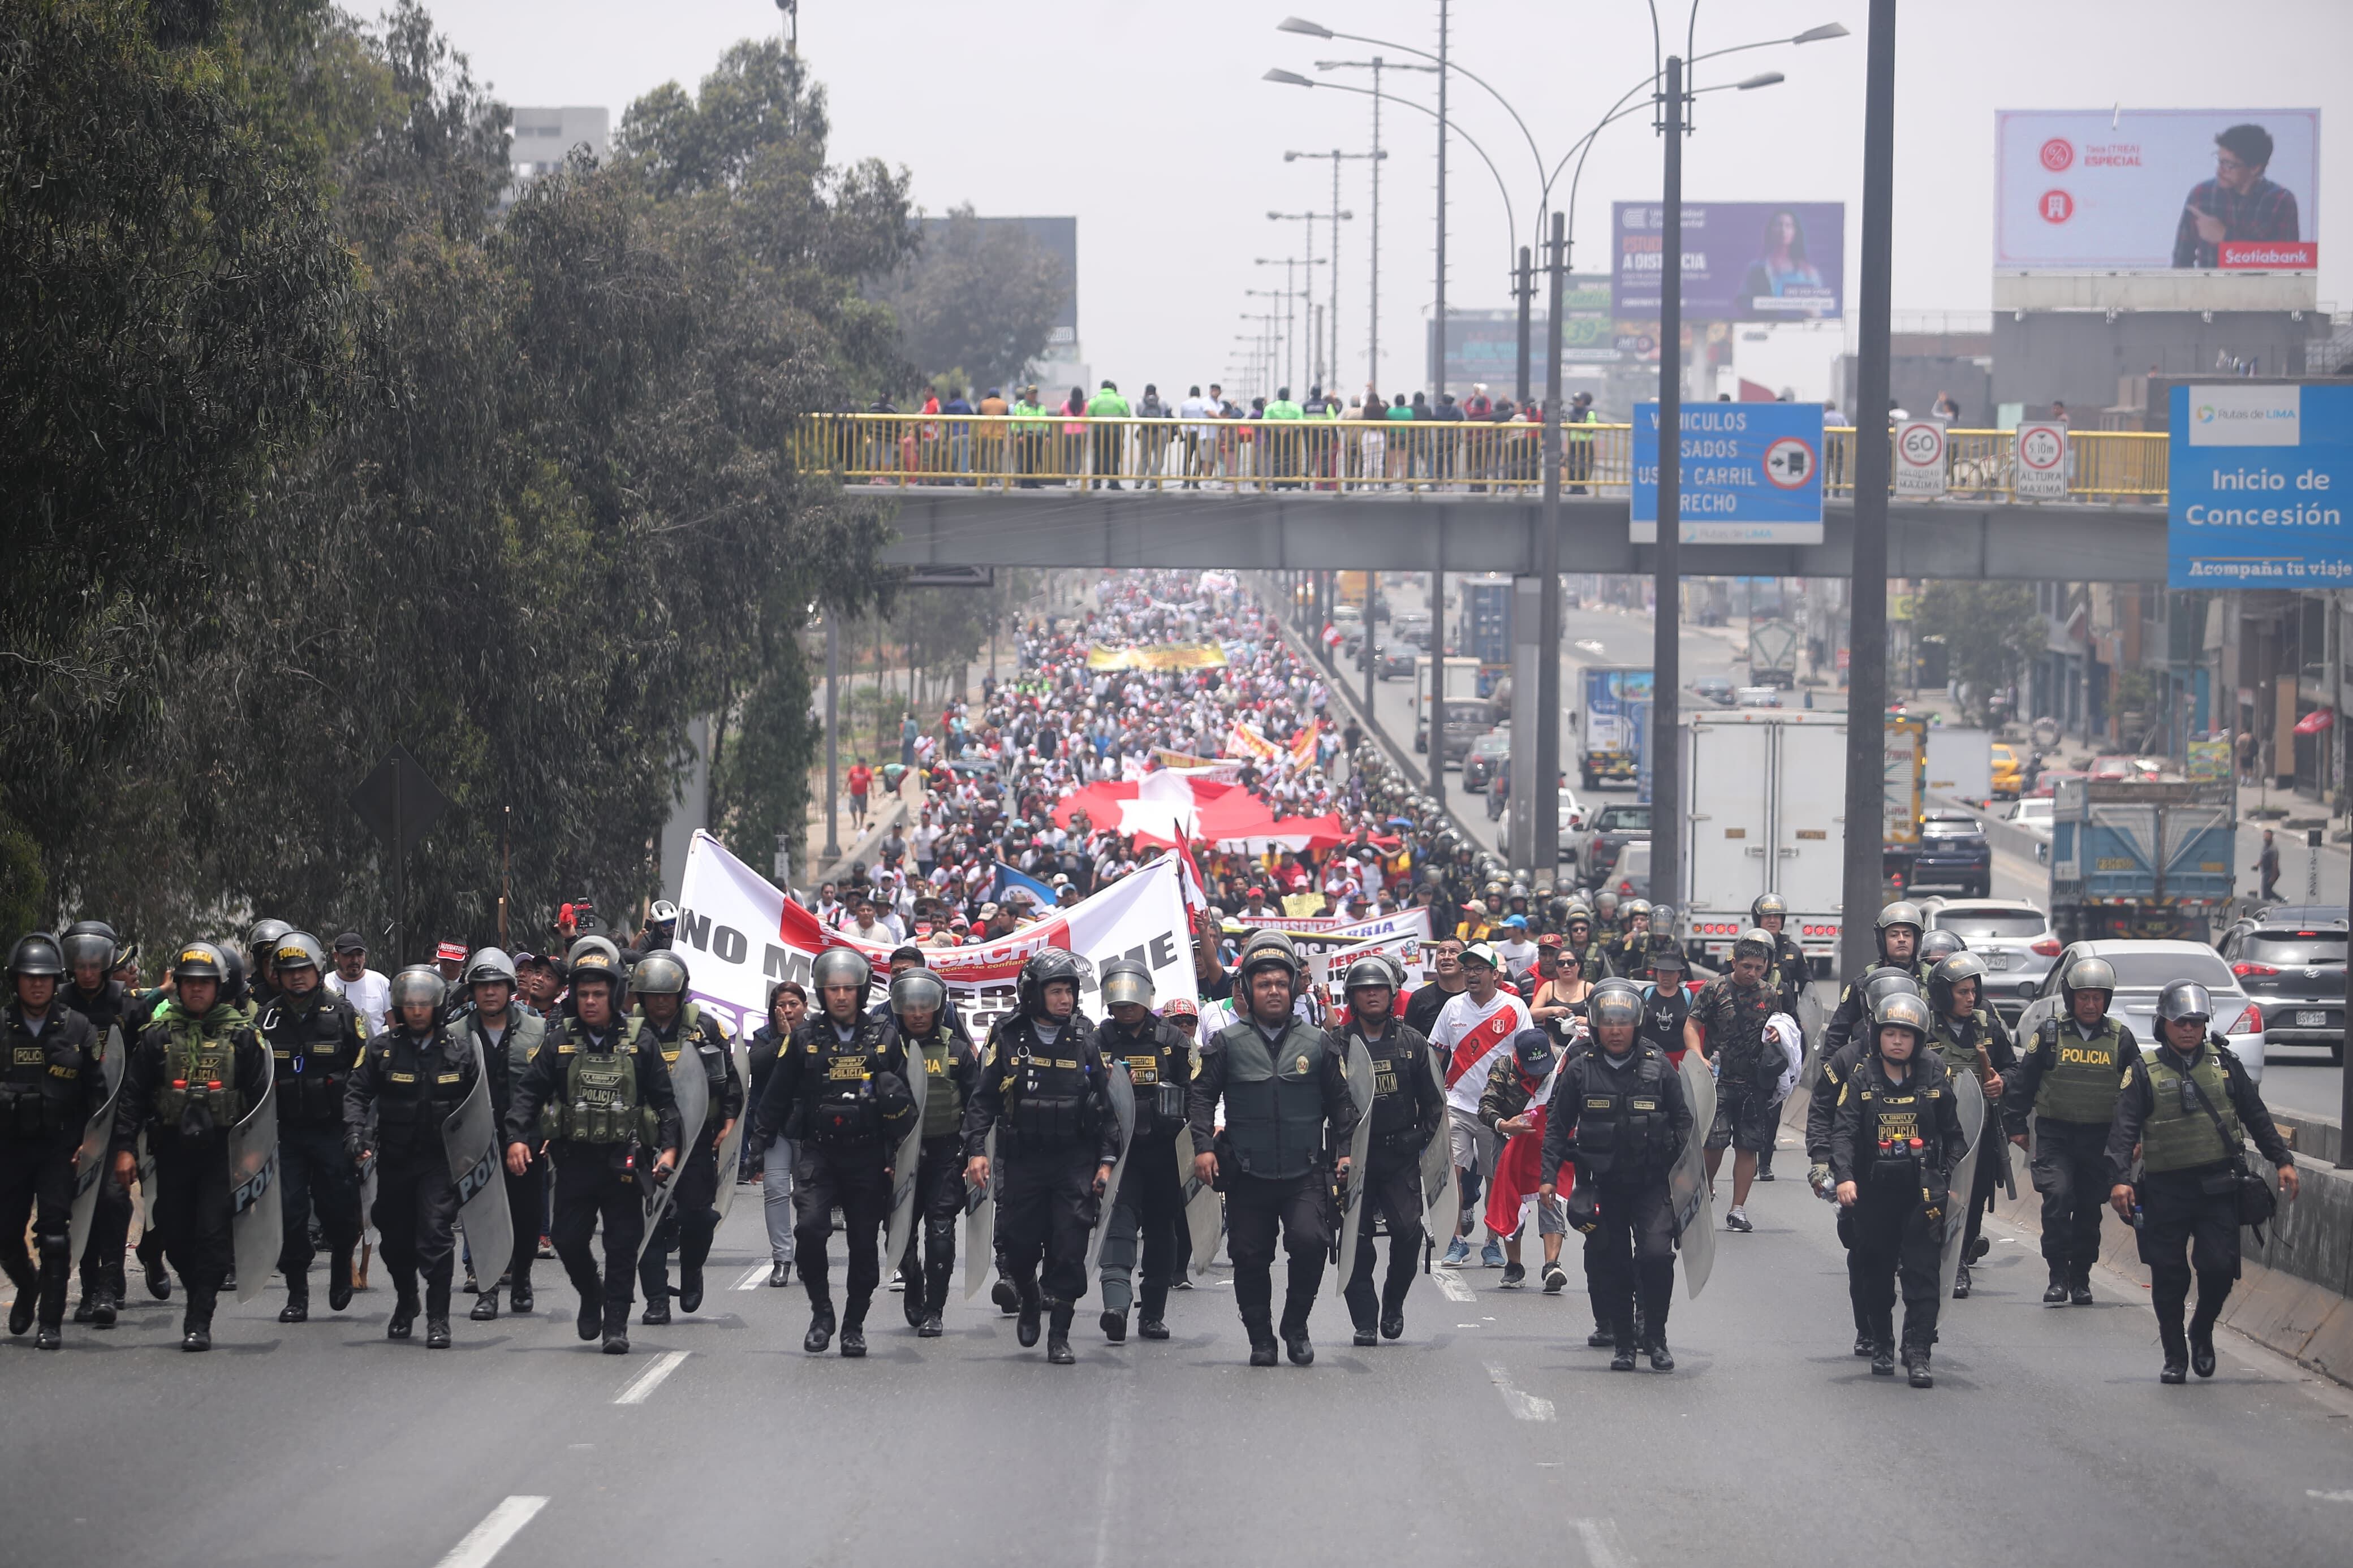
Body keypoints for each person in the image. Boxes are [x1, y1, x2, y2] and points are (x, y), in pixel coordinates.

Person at [2107, 980, 2299, 1383]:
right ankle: (2174, 1354)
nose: (2190, 1029)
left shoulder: (2226, 1065)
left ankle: (2202, 1329)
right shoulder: (2143, 1070)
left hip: (2217, 1185)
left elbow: (2256, 1115)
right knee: (2169, 1274)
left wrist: (2282, 1159)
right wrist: (2120, 1180)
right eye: (2181, 1022)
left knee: (2218, 1268)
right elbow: (2124, 1129)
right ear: (2164, 1024)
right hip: (2165, 1190)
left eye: (2196, 1021)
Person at [1187, 931, 1360, 1366]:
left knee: (1310, 1243)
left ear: (1294, 987)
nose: (1274, 991)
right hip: (1247, 1172)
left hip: (1304, 1172)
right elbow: (1201, 1097)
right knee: (1249, 1256)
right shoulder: (1227, 1043)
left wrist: (1345, 1151)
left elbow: (1342, 1104)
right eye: (1264, 983)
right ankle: (1261, 1337)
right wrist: (1204, 1147)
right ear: (1247, 989)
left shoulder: (1319, 1043)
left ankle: (1295, 1325)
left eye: (1281, 983)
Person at [503, 939, 681, 1354]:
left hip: (625, 1162)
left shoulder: (642, 1043)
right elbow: (529, 1093)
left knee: (622, 1245)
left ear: (615, 995)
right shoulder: (559, 1041)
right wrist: (515, 1138)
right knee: (566, 1237)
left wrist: (671, 1150)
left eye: (599, 993)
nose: (590, 1001)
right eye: (583, 993)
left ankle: (616, 1323)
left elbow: (666, 1103)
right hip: (575, 1160)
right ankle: (590, 1292)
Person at [752, 947, 914, 1358]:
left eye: (848, 988)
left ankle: (854, 1324)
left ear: (860, 991)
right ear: (822, 993)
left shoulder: (885, 1035)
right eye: (832, 988)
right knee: (809, 1230)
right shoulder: (805, 1038)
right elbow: (776, 1094)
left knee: (864, 1245)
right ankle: (822, 1312)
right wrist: (757, 1143)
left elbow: (909, 1103)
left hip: (867, 1157)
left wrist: (902, 1154)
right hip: (818, 1153)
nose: (841, 996)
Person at [962, 950, 1119, 1364]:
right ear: (1034, 993)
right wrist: (977, 1149)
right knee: (1017, 1247)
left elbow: (1106, 1107)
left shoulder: (1086, 1040)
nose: (1065, 998)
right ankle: (1029, 1298)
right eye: (1056, 990)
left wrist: (1106, 1160)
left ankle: (1060, 1335)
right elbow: (982, 1100)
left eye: (1069, 990)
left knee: (1069, 1250)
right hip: (1023, 1161)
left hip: (1073, 1162)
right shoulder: (1008, 1036)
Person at [111, 941, 270, 1351]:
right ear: (178, 987)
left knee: (214, 1234)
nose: (196, 991)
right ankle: (196, 1284)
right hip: (172, 1150)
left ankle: (200, 1316)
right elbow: (132, 1095)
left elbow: (261, 1098)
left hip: (223, 1153)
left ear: (220, 987)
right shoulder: (156, 1038)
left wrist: (255, 1151)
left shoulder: (243, 1036)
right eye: (188, 983)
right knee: (176, 1233)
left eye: (205, 984)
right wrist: (125, 1148)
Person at [1539, 977, 1693, 1372]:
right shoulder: (1579, 1070)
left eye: (1624, 1021)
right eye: (1607, 1021)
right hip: (1603, 1185)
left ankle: (1655, 1337)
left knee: (1658, 1256)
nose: (1616, 1029)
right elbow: (1557, 1125)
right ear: (1595, 1023)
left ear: (1637, 1023)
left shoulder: (1659, 1067)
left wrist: (1687, 1182)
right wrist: (1548, 1176)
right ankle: (1624, 1341)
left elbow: (1683, 1122)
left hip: (1651, 1184)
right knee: (1613, 1262)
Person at [1830, 991, 1966, 1387]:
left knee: (1923, 1273)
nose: (1897, 1041)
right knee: (1875, 1271)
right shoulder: (1861, 1078)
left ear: (1918, 1039)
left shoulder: (1934, 1075)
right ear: (1878, 1035)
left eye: (1906, 1035)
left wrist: (1954, 1182)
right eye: (1890, 1033)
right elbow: (1844, 1133)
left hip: (1921, 1194)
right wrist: (1844, 1178)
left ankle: (1919, 1349)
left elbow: (1955, 1137)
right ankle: (1883, 1342)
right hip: (1873, 1193)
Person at [343, 966, 479, 1349]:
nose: (417, 1011)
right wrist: (355, 1135)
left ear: (437, 1007)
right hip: (395, 1159)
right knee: (395, 1240)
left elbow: (479, 1106)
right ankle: (407, 1300)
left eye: (424, 1004)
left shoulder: (460, 1051)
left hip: (440, 1161)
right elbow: (356, 1095)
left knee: (436, 1234)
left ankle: (438, 1318)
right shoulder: (380, 1049)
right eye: (410, 1005)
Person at [2006, 956, 2135, 1307]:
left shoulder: (2122, 1040)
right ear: (2070, 998)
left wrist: (2135, 1140)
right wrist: (2016, 1124)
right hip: (2055, 1136)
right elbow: (2023, 1083)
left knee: (2090, 1210)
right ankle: (2057, 1277)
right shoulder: (2049, 1035)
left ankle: (2081, 1279)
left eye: (2097, 998)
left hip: (2099, 1140)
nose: (2090, 1005)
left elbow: (2135, 1095)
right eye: (2083, 997)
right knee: (2058, 1199)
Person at [1333, 956, 1445, 1345]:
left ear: (1392, 994)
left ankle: (1394, 1302)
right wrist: (1338, 1155)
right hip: (1354, 1160)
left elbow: (1435, 1104)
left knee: (1408, 1232)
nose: (1372, 994)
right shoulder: (1336, 1045)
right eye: (1364, 989)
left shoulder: (1413, 1042)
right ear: (1353, 996)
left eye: (1379, 988)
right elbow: (1323, 1106)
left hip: (1399, 1156)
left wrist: (1420, 1139)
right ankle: (1365, 1319)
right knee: (1356, 1242)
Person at [2, 934, 106, 1350]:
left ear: (56, 981)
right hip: (9, 1148)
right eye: (29, 978)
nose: (38, 985)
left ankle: (51, 1322)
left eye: (45, 978)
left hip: (59, 1147)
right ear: (17, 981)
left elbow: (97, 1092)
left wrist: (92, 1143)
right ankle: (28, 1287)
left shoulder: (78, 1028)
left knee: (54, 1235)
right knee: (6, 1234)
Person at [257, 930, 366, 1324]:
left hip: (332, 1131)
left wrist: (361, 1131)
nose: (296, 977)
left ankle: (341, 1262)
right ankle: (297, 1292)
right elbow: (253, 1078)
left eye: (303, 969)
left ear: (318, 969)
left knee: (338, 1210)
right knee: (289, 1213)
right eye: (288, 971)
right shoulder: (265, 1018)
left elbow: (363, 1076)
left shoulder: (343, 1014)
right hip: (285, 1134)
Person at [630, 951, 743, 1325]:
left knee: (698, 1216)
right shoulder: (627, 1033)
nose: (661, 1001)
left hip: (696, 1138)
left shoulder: (705, 1027)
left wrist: (728, 1121)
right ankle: (656, 1298)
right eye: (653, 994)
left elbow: (729, 1081)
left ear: (681, 993)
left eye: (668, 993)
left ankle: (692, 1268)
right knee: (648, 1221)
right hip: (644, 1139)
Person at [1091, 958, 1193, 1344]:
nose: (1126, 1005)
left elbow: (1196, 1093)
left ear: (1147, 996)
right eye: (1118, 999)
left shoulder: (1174, 1041)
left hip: (1164, 1154)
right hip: (1119, 1152)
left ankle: (1152, 1315)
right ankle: (1115, 1306)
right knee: (1118, 1227)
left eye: (1132, 997)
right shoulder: (1097, 1041)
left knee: (1160, 1234)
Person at [1428, 942, 1531, 1268]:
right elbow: (1436, 1056)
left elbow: (1527, 1058)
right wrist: (1432, 1101)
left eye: (1478, 969)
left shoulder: (1515, 1008)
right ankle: (1457, 1240)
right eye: (1467, 969)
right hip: (1457, 1103)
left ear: (1495, 974)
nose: (1471, 975)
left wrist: (1526, 1105)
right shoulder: (1453, 1008)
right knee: (1454, 1174)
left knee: (1496, 1177)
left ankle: (1492, 1242)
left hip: (1498, 1110)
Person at [456, 948, 545, 1320]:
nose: (489, 992)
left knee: (526, 1219)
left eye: (497, 985)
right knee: (482, 1218)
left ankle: (521, 1277)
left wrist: (548, 1132)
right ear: (472, 990)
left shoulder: (538, 1030)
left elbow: (553, 1086)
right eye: (482, 985)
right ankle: (488, 1290)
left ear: (510, 988)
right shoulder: (454, 1034)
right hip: (475, 1144)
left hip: (526, 1141)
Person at [890, 965, 978, 1337]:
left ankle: (934, 1309)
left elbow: (978, 1107)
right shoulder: (886, 1050)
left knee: (941, 1231)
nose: (917, 1012)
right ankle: (913, 1280)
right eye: (910, 1005)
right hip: (899, 1157)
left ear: (938, 1007)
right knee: (899, 1235)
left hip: (945, 1155)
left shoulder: (957, 1051)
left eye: (925, 1004)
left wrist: (975, 1153)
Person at [1924, 951, 2016, 1299]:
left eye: (1973, 991)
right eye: (1962, 992)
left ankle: (1960, 1261)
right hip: (1935, 1131)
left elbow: (2012, 1068)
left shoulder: (1989, 1027)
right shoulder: (1925, 1027)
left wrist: (2002, 1082)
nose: (1970, 998)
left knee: (1973, 1197)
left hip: (1979, 1131)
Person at [59, 921, 134, 1325]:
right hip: (69, 1122)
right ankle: (88, 1289)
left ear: (106, 965)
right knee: (78, 1201)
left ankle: (109, 1281)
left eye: (94, 965)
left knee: (112, 1199)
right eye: (80, 965)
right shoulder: (57, 1004)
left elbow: (142, 1066)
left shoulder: (128, 1006)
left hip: (116, 1119)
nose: (87, 973)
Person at [1683, 928, 1781, 1233]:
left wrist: (1778, 1035)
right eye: (1746, 966)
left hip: (1754, 1083)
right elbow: (1691, 1025)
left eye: (1758, 968)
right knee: (1714, 1144)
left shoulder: (1770, 994)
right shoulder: (1715, 990)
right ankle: (1708, 1187)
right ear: (1734, 962)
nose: (1752, 973)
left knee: (1748, 1146)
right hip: (1719, 1080)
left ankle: (1738, 1209)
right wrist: (1697, 1056)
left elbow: (1781, 1029)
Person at [1480, 1027, 1568, 1291]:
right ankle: (1514, 1266)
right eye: (1533, 1067)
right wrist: (1504, 1125)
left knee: (1549, 1197)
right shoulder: (1503, 1067)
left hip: (1547, 1142)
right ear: (1519, 1058)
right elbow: (1485, 1107)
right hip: (1509, 1141)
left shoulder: (1560, 1064)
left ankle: (1552, 1265)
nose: (1539, 1072)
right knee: (1509, 1200)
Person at [2173, 122, 2302, 269]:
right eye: (2219, 160)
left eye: (2229, 165)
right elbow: (2181, 262)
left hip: (2262, 290)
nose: (2220, 170)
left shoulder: (2281, 201)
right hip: (2208, 290)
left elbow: (2286, 265)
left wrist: (2225, 238)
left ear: (2255, 168)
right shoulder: (2201, 195)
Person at [747, 981, 805, 1287]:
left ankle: (809, 1256)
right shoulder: (764, 1037)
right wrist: (782, 1039)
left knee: (809, 1197)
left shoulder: (816, 1035)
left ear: (805, 1007)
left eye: (793, 1004)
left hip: (808, 1129)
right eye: (781, 1005)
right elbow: (753, 1065)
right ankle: (782, 1258)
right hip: (775, 1128)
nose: (787, 1010)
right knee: (775, 1190)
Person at [1821, 902, 1930, 1060]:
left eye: (1907, 935)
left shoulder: (1932, 982)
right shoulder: (1865, 983)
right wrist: (1830, 1066)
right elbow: (1838, 1031)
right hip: (1869, 1067)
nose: (1901, 940)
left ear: (1916, 939)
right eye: (1894, 935)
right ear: (1882, 939)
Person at [1403, 936, 1466, 1035]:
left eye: (1453, 952)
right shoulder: (1419, 998)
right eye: (1441, 952)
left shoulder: (1476, 996)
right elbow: (1409, 1041)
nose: (1446, 957)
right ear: (1435, 963)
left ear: (1464, 962)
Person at [847, 758, 873, 831]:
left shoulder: (867, 771)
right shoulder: (853, 770)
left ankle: (861, 823)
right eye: (860, 763)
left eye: (863, 763)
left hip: (863, 794)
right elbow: (849, 779)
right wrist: (845, 789)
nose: (861, 764)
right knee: (852, 808)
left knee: (862, 810)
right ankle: (855, 822)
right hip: (853, 793)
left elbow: (871, 782)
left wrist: (873, 792)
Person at [2255, 829, 2281, 901]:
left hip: (2271, 872)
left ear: (2272, 837)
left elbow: (2275, 864)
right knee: (2267, 892)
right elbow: (2263, 858)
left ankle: (2282, 901)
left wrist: (2273, 877)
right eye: (2265, 836)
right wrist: (2257, 865)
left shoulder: (2273, 849)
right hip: (2265, 872)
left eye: (2267, 836)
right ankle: (2281, 901)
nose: (2265, 838)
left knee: (2265, 894)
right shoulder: (2265, 846)